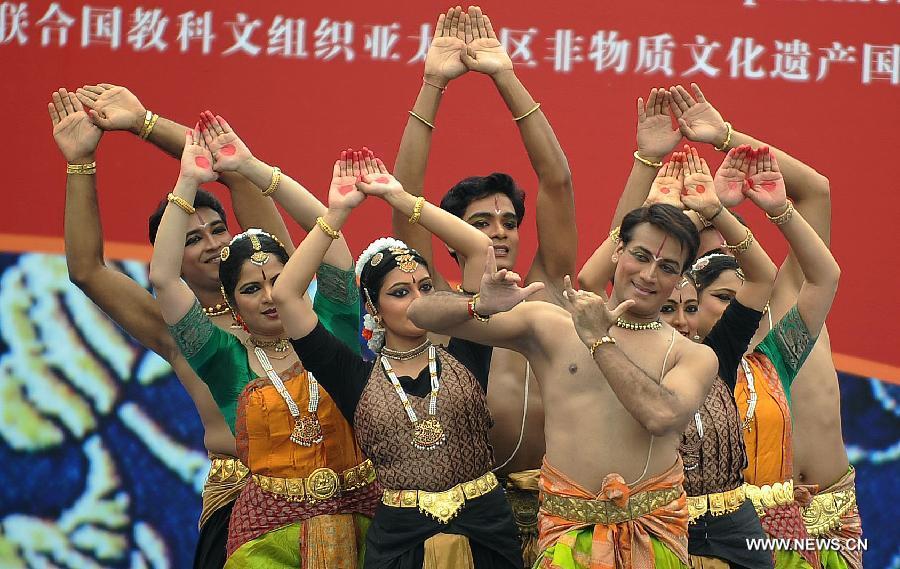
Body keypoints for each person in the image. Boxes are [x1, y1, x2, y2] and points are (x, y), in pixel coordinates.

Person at [50, 86, 295, 568]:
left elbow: (233, 167)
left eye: (217, 230)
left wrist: (144, 122)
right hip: (240, 497)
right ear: (170, 259)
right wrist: (80, 162)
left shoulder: (283, 295)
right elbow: (87, 269)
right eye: (191, 239)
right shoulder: (178, 332)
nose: (210, 244)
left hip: (331, 485)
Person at [409, 203, 720, 568]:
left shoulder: (694, 356)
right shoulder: (551, 325)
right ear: (618, 250)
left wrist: (599, 341)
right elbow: (420, 314)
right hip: (566, 536)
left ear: (681, 277)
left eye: (667, 267)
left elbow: (661, 416)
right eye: (641, 256)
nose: (650, 275)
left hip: (651, 539)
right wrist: (479, 304)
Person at [272, 152, 524, 568]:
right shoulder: (353, 375)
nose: (419, 300)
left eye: (425, 286)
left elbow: (478, 246)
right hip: (401, 542)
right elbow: (285, 295)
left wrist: (399, 197)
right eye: (401, 292)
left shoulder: (467, 345)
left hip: (487, 533)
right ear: (373, 304)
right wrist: (336, 214)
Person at [391, 9, 576, 564]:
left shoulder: (548, 287)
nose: (498, 233)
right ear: (450, 239)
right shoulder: (436, 306)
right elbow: (404, 198)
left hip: (560, 517)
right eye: (479, 224)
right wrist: (432, 85)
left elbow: (557, 182)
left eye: (508, 223)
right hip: (468, 520)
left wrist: (505, 76)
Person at [149, 127, 377, 567]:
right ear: (233, 308)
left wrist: (253, 169)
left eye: (278, 279)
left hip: (364, 521)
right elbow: (163, 279)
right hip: (268, 539)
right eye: (252, 289)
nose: (270, 295)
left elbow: (330, 240)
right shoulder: (221, 359)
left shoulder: (333, 328)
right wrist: (187, 183)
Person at [669, 84, 864, 569]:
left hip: (831, 515)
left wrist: (727, 136)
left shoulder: (792, 298)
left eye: (725, 228)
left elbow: (815, 189)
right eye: (703, 240)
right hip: (750, 530)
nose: (721, 246)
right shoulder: (689, 357)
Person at [581, 147, 776, 568]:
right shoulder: (614, 343)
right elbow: (589, 279)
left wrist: (715, 209)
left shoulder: (712, 356)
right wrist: (652, 213)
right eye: (670, 308)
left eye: (692, 307)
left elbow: (763, 276)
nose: (683, 320)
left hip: (734, 529)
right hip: (662, 524)